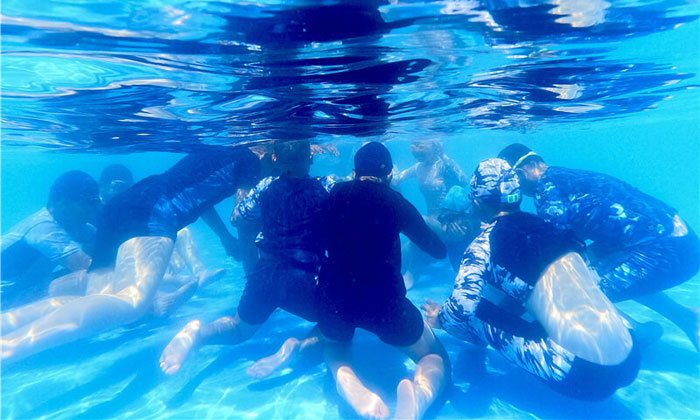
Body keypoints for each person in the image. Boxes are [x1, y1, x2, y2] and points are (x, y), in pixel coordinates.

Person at [1, 147, 260, 364]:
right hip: (153, 211)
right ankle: (8, 348)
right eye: (87, 203)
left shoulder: (221, 153)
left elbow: (202, 199)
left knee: (95, 292)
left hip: (124, 207)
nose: (93, 209)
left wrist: (223, 237)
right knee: (130, 302)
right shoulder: (250, 161)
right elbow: (243, 216)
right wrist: (254, 277)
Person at [424, 158, 640, 401]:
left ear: (476, 203)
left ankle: (475, 355)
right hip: (631, 353)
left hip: (585, 377)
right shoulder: (550, 226)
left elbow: (461, 307)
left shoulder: (482, 246)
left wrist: (441, 318)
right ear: (517, 196)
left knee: (474, 311)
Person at [498, 143, 700, 350]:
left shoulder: (546, 190)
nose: (517, 190)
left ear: (526, 170)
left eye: (515, 182)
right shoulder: (568, 176)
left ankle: (635, 334)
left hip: (666, 254)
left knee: (566, 294)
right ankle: (686, 317)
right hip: (685, 244)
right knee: (597, 269)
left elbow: (555, 248)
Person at [159, 140, 333, 376]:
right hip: (304, 276)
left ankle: (197, 336)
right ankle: (296, 348)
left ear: (274, 158)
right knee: (336, 322)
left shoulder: (265, 186)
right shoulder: (325, 186)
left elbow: (237, 217)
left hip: (265, 274)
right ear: (310, 158)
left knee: (239, 329)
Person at [316, 141, 450, 420]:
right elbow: (437, 250)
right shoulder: (395, 201)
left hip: (334, 299)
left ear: (354, 173)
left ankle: (348, 385)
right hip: (383, 304)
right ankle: (418, 401)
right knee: (435, 356)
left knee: (335, 344)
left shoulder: (334, 194)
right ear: (389, 174)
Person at [1, 171, 99, 309]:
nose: (93, 209)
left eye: (96, 202)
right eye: (88, 202)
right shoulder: (42, 228)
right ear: (60, 200)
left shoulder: (75, 225)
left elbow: (98, 250)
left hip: (20, 295)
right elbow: (86, 266)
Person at [392, 139, 469, 288]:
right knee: (402, 257)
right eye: (413, 145)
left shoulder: (443, 165)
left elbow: (463, 180)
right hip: (430, 225)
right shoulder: (418, 168)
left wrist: (444, 156)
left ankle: (413, 273)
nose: (416, 149)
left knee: (418, 220)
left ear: (435, 146)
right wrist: (390, 170)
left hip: (451, 225)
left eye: (420, 144)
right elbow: (397, 180)